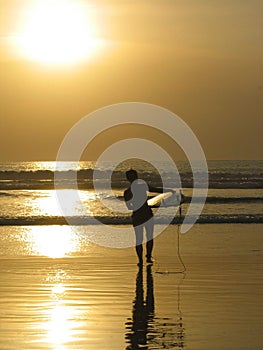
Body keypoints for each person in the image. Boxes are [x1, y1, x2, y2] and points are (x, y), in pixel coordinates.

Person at [124, 169, 172, 266]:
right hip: (147, 214)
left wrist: (138, 205)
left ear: (127, 179)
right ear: (136, 177)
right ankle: (148, 257)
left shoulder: (127, 192)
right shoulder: (142, 186)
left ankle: (140, 261)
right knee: (149, 237)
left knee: (139, 239)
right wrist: (168, 191)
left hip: (137, 215)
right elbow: (155, 189)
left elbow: (130, 207)